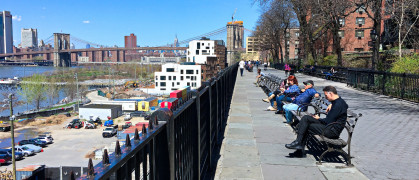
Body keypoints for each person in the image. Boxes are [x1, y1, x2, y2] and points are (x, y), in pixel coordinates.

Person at [285, 86, 348, 154]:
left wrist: (319, 118)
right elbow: (344, 106)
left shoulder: (337, 105)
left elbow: (328, 121)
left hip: (331, 131)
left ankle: (299, 148)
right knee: (306, 118)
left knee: (306, 125)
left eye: (326, 95)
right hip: (329, 126)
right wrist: (331, 104)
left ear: (331, 94)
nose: (326, 97)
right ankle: (298, 143)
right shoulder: (338, 101)